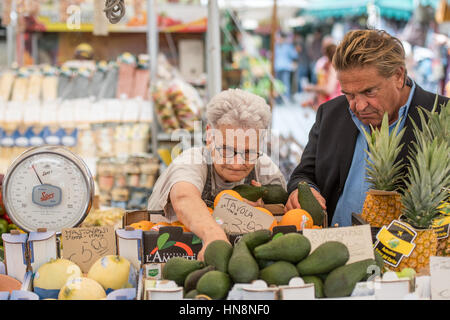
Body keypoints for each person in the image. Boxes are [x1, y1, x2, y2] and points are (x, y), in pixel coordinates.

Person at [285, 29, 449, 227]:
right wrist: (302, 189)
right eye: (350, 95)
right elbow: (303, 174)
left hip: (411, 253)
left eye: (369, 92)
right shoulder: (330, 113)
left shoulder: (442, 115)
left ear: (398, 75)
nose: (359, 106)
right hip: (332, 250)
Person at [147, 89, 286, 259]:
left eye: (249, 152)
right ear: (210, 136)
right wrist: (214, 236)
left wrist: (265, 211)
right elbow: (184, 197)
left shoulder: (264, 168)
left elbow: (287, 215)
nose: (237, 164)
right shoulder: (191, 160)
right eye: (227, 150)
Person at [302, 42, 341, 110]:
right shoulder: (328, 67)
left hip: (332, 106)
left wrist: (311, 88)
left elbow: (329, 89)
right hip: (327, 105)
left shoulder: (333, 68)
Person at [274, 32, 299, 103]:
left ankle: (286, 99)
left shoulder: (288, 46)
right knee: (277, 84)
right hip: (277, 68)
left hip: (286, 68)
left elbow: (295, 55)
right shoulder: (275, 46)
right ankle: (278, 98)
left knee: (285, 84)